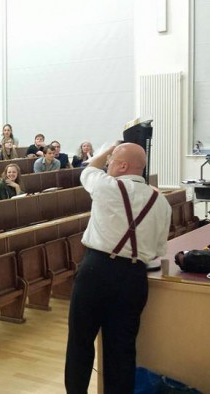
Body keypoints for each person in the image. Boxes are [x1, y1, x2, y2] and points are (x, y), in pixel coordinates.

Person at [65, 143, 171, 393]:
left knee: (80, 342)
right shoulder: (161, 202)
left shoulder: (105, 186)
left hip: (96, 271)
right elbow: (158, 250)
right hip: (134, 277)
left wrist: (107, 149)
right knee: (122, 348)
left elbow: (87, 170)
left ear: (122, 165)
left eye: (112, 160)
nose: (108, 163)